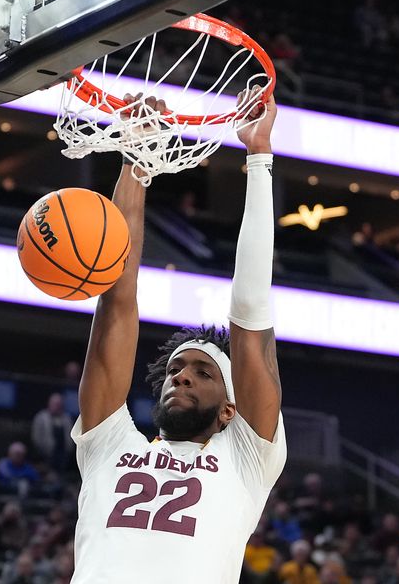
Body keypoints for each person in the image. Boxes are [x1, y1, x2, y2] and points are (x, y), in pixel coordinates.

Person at [68, 90, 285, 584]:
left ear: (230, 408)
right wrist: (136, 162)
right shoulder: (110, 444)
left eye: (202, 372)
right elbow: (116, 301)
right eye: (175, 370)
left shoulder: (245, 458)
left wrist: (257, 158)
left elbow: (251, 319)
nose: (181, 376)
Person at [31, 393, 74, 470]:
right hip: (45, 455)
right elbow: (36, 437)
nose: (57, 406)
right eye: (55, 404)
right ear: (49, 403)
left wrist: (69, 449)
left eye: (59, 404)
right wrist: (43, 451)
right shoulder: (41, 417)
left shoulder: (67, 419)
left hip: (64, 455)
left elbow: (70, 436)